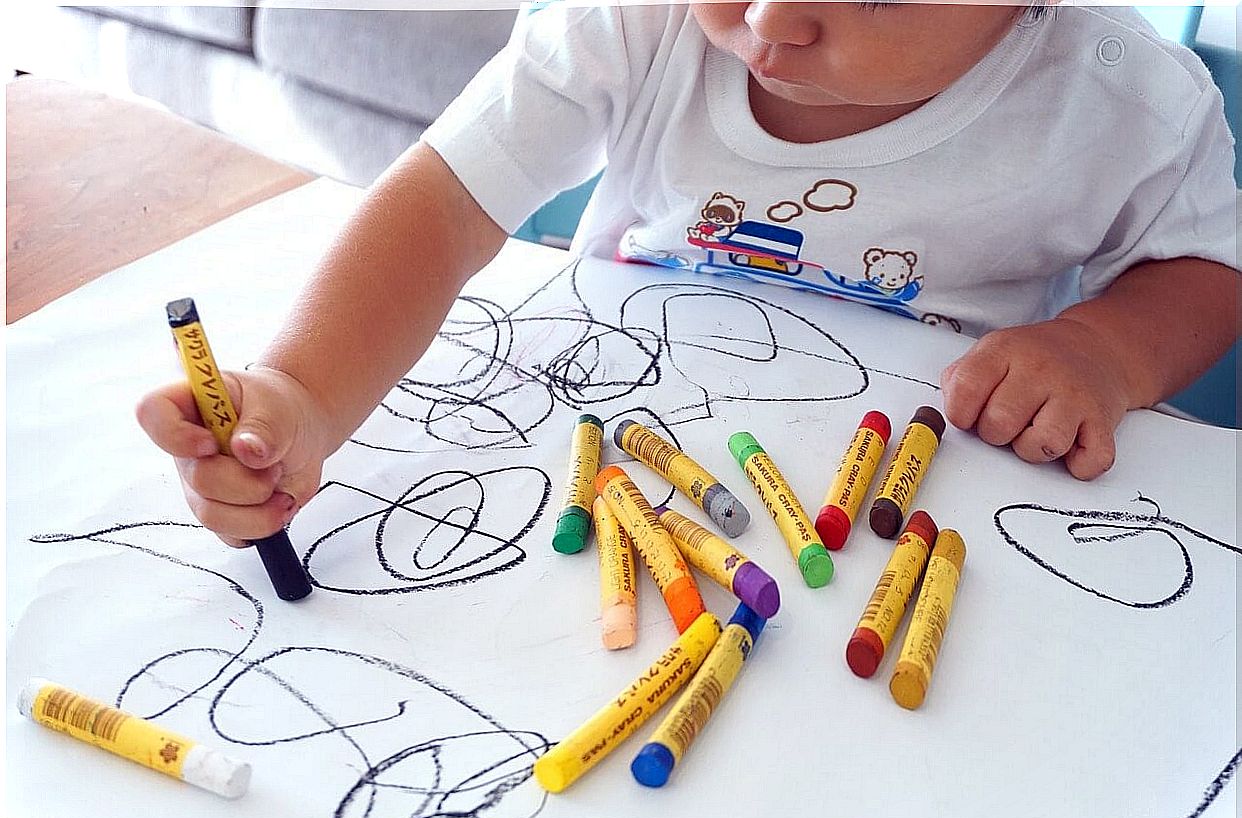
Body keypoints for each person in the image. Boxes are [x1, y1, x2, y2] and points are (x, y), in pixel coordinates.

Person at [137, 2, 1240, 547]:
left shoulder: (1121, 103)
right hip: (610, 479)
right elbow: (441, 203)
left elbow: (1208, 263)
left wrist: (1106, 348)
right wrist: (305, 394)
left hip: (896, 522)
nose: (767, 23)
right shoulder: (641, 19)